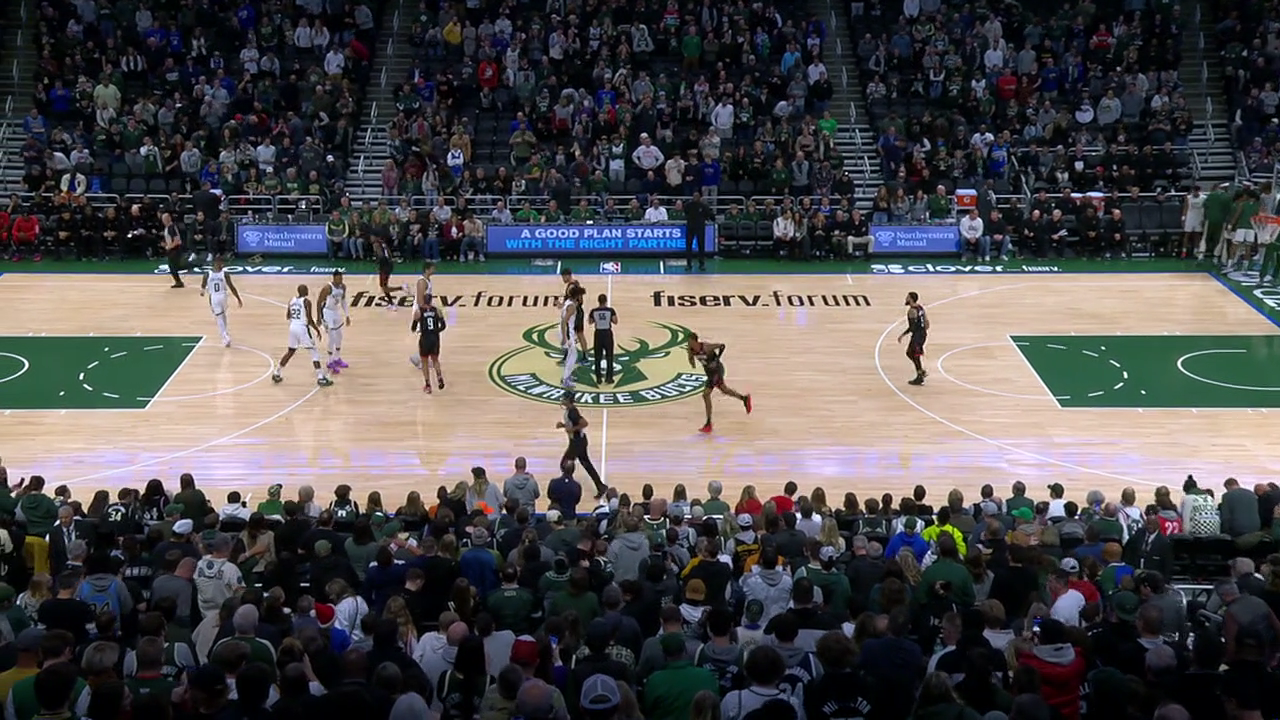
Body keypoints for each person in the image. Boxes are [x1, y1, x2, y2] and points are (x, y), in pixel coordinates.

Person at [686, 333, 752, 434]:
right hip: (710, 373)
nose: (688, 343)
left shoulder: (706, 347)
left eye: (689, 341)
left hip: (717, 370)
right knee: (724, 390)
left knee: (706, 394)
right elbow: (691, 359)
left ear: (695, 341)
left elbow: (722, 346)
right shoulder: (691, 350)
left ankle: (708, 423)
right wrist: (691, 361)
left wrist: (717, 359)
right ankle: (744, 399)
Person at [272, 284, 333, 387]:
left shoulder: (292, 300)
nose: (308, 290)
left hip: (292, 327)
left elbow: (288, 316)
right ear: (304, 291)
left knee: (290, 351)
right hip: (302, 328)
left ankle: (277, 372)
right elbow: (309, 319)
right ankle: (320, 377)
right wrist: (317, 330)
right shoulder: (306, 302)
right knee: (314, 351)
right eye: (306, 289)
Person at [557, 393, 605, 497]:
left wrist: (572, 429)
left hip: (577, 443)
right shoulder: (571, 411)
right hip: (579, 441)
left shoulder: (573, 412)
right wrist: (563, 425)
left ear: (568, 401)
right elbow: (573, 424)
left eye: (564, 399)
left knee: (564, 464)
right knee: (586, 464)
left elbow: (584, 423)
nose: (562, 400)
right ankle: (601, 486)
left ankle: (567, 488)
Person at [199, 257, 242, 347]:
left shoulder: (207, 274)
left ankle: (225, 337)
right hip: (223, 296)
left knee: (219, 318)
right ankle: (225, 333)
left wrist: (203, 292)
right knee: (223, 315)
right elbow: (232, 287)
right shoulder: (225, 274)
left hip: (214, 297)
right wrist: (238, 298)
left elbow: (202, 288)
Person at [315, 271, 352, 375]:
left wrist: (347, 315)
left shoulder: (343, 287)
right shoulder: (327, 288)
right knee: (332, 337)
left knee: (339, 336)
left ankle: (337, 358)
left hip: (336, 312)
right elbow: (319, 302)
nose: (341, 280)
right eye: (339, 278)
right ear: (334, 278)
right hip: (327, 313)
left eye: (341, 278)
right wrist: (318, 318)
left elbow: (343, 301)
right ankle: (330, 361)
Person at [413, 294, 447, 394]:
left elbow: (413, 328)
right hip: (435, 339)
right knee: (435, 360)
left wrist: (419, 329)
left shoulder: (419, 311)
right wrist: (436, 331)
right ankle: (439, 377)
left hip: (425, 339)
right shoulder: (437, 310)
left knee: (424, 362)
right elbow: (443, 326)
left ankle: (428, 385)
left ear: (423, 300)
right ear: (431, 300)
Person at [897, 291, 929, 386]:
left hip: (917, 335)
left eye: (907, 297)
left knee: (914, 354)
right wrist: (923, 330)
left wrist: (902, 335)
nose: (906, 299)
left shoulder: (912, 311)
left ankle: (920, 376)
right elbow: (927, 322)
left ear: (911, 299)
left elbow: (912, 327)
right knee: (910, 353)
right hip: (922, 334)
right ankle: (921, 371)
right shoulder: (920, 308)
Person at [589, 294, 618, 385]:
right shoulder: (610, 310)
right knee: (609, 356)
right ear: (606, 301)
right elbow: (615, 321)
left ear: (598, 301)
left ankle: (598, 378)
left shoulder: (594, 311)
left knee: (598, 357)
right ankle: (609, 378)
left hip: (598, 334)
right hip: (607, 333)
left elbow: (590, 322)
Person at [561, 286, 584, 388]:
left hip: (568, 331)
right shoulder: (572, 307)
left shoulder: (569, 302)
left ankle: (568, 376)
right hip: (567, 332)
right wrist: (564, 337)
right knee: (573, 355)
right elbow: (564, 321)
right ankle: (565, 379)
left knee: (571, 355)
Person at [685, 190, 711, 272]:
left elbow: (708, 214)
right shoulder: (688, 205)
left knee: (701, 246)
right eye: (694, 196)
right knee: (688, 246)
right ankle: (689, 264)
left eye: (697, 196)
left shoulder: (703, 206)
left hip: (700, 227)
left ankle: (701, 264)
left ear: (700, 197)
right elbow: (686, 213)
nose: (695, 198)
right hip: (690, 227)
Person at [161, 212, 185, 288]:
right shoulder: (168, 227)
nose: (163, 221)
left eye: (165, 219)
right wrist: (166, 244)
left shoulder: (171, 227)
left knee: (173, 266)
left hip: (175, 249)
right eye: (163, 219)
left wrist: (169, 247)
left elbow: (176, 239)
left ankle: (179, 282)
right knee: (172, 266)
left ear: (169, 218)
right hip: (172, 249)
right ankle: (178, 281)